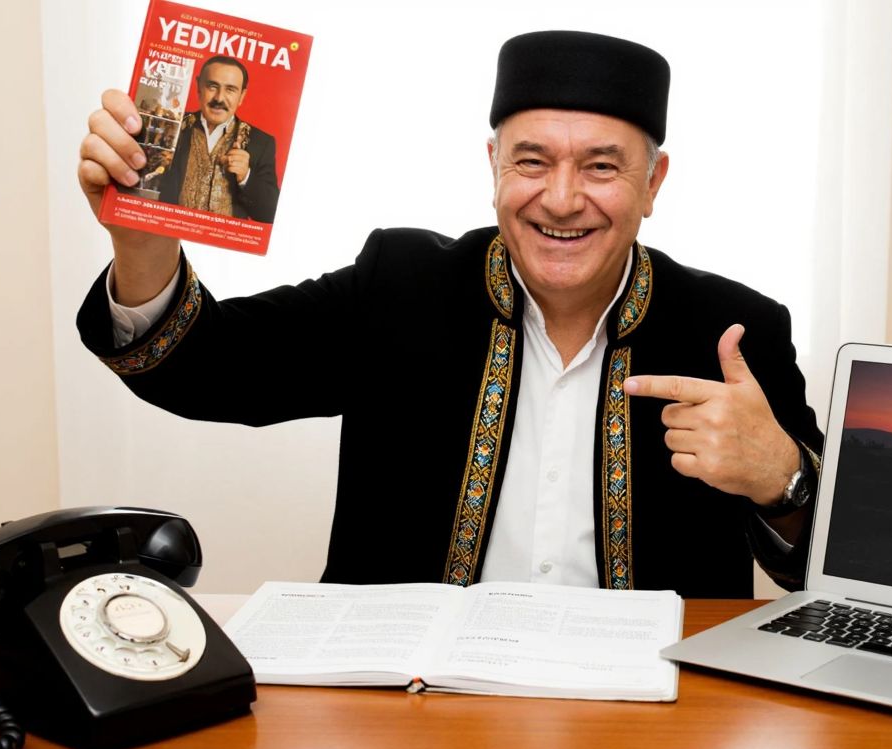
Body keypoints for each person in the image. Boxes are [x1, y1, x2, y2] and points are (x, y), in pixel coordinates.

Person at [75, 31, 823, 598]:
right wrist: (141, 246)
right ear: (492, 165)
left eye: (601, 166)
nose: (562, 199)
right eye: (532, 162)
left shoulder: (733, 331)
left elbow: (837, 572)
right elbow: (207, 367)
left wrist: (781, 478)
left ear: (654, 182)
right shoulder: (398, 285)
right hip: (412, 717)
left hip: (657, 727)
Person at [155, 55, 280, 222]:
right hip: (170, 237)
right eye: (212, 86)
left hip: (223, 246)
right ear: (199, 87)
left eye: (230, 89)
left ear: (242, 95)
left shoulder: (261, 142)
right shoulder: (171, 127)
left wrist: (246, 176)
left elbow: (271, 215)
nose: (219, 98)